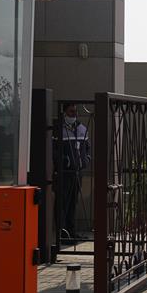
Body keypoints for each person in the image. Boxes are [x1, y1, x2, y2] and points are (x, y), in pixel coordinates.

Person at [54, 103, 90, 244]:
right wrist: (65, 161)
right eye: (71, 112)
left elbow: (87, 148)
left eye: (75, 112)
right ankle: (62, 234)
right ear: (64, 113)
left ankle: (71, 231)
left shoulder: (82, 128)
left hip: (77, 172)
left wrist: (85, 160)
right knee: (62, 203)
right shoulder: (58, 130)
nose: (74, 114)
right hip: (64, 173)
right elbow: (54, 151)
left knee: (73, 203)